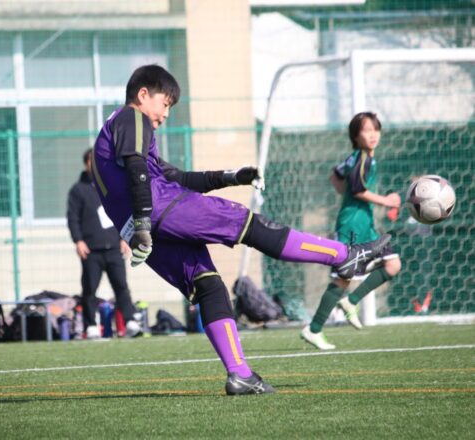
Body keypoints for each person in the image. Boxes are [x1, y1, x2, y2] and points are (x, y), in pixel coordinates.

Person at [91, 64, 391, 395]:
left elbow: (177, 178)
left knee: (209, 287)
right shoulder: (132, 117)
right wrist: (144, 222)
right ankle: (344, 256)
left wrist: (232, 177)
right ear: (143, 94)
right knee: (251, 225)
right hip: (157, 212)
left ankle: (240, 374)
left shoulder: (116, 133)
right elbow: (139, 170)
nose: (165, 115)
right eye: (165, 104)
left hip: (143, 230)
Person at [301, 112, 402, 350]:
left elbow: (335, 175)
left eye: (376, 129)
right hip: (352, 226)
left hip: (364, 224)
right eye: (366, 130)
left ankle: (351, 302)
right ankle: (313, 329)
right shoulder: (363, 159)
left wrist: (344, 193)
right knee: (343, 278)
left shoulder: (356, 157)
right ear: (355, 136)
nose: (373, 134)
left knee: (392, 264)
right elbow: (357, 190)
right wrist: (387, 201)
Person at [67, 148, 141, 339]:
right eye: (91, 161)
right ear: (86, 164)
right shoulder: (78, 190)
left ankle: (130, 321)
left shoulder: (112, 186)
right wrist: (78, 240)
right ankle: (91, 325)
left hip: (114, 247)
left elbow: (124, 212)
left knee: (121, 286)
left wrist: (125, 238)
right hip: (91, 250)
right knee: (90, 289)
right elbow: (73, 218)